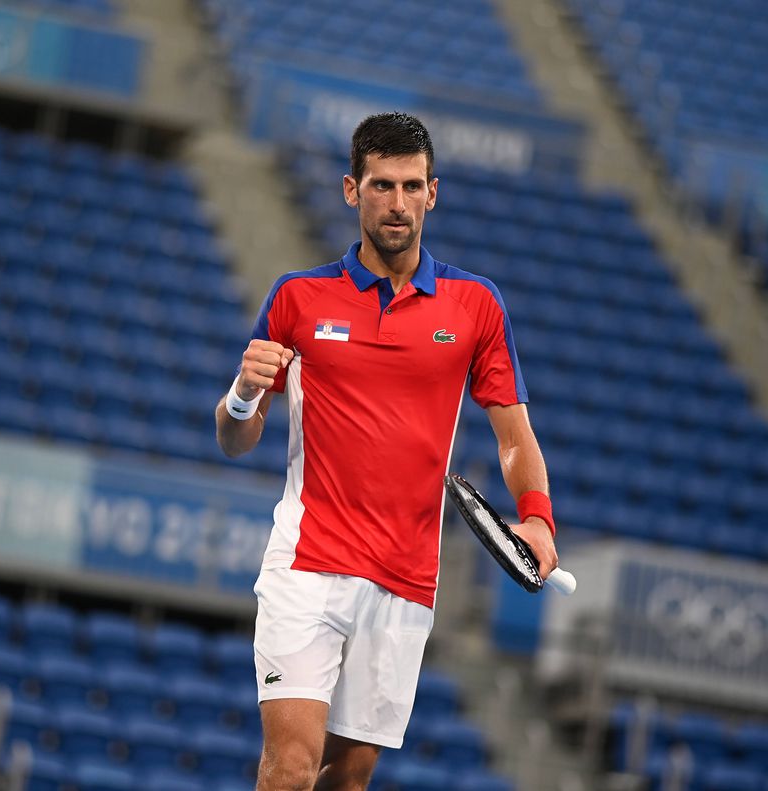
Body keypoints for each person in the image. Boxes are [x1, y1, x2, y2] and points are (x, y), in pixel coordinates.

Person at [214, 112, 558, 791]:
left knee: (349, 776)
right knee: (290, 765)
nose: (396, 203)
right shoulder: (297, 298)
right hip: (306, 564)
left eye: (411, 186)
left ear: (434, 192)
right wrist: (244, 395)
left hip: (405, 577)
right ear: (352, 189)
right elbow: (234, 439)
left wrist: (538, 515)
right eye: (381, 185)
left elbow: (514, 436)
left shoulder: (476, 306)